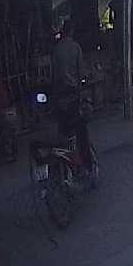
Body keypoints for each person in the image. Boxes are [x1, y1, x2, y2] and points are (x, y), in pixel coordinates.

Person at [50, 24, 95, 167]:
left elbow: (53, 73)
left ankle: (65, 161)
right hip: (74, 95)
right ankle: (87, 163)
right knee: (81, 131)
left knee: (63, 130)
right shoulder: (75, 47)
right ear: (71, 32)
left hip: (60, 96)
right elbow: (82, 72)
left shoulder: (56, 49)